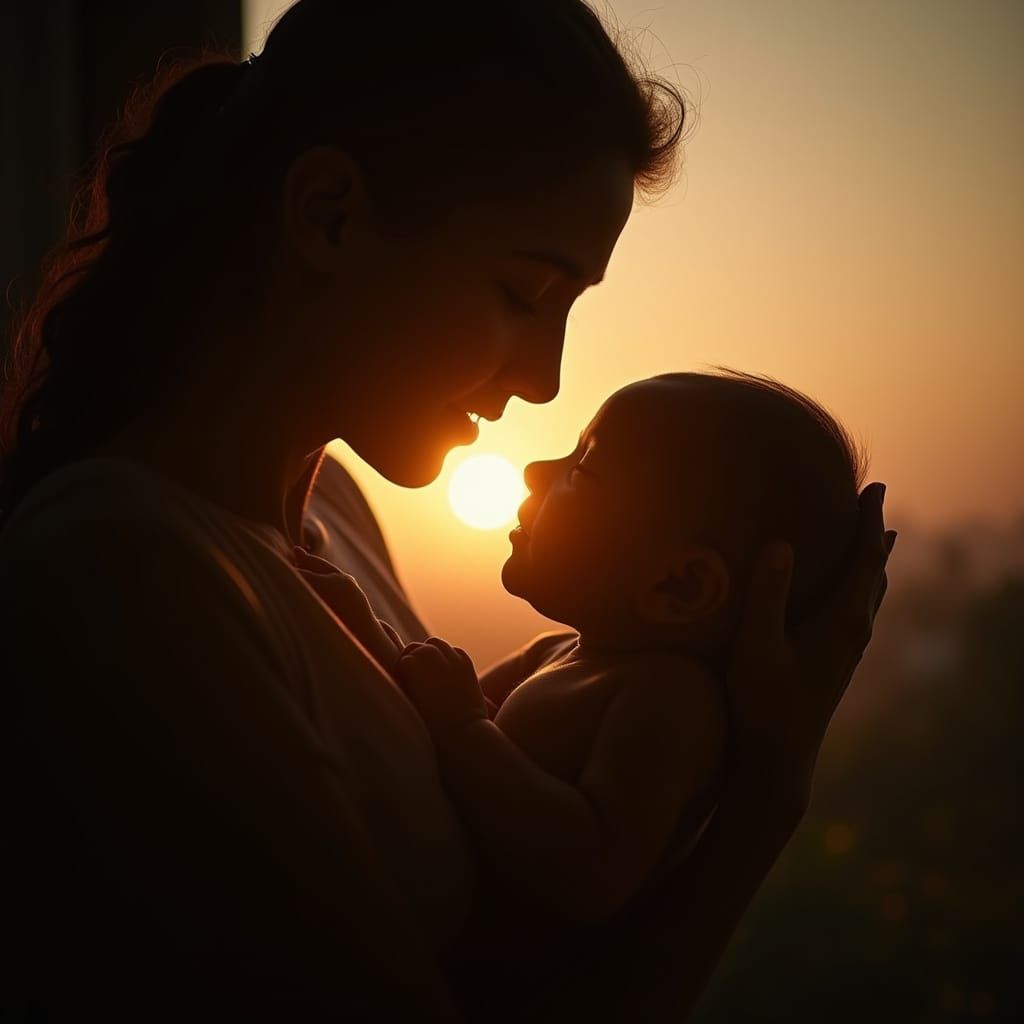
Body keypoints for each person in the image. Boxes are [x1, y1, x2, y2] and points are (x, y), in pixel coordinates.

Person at [0, 1, 894, 1019]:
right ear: (329, 214)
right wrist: (763, 801)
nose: (546, 379)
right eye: (524, 293)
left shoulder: (326, 513)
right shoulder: (124, 567)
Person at [381, 370, 866, 1002]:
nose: (533, 470)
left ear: (679, 587)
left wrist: (462, 726)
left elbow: (591, 867)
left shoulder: (669, 702)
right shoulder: (559, 654)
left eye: (581, 469)